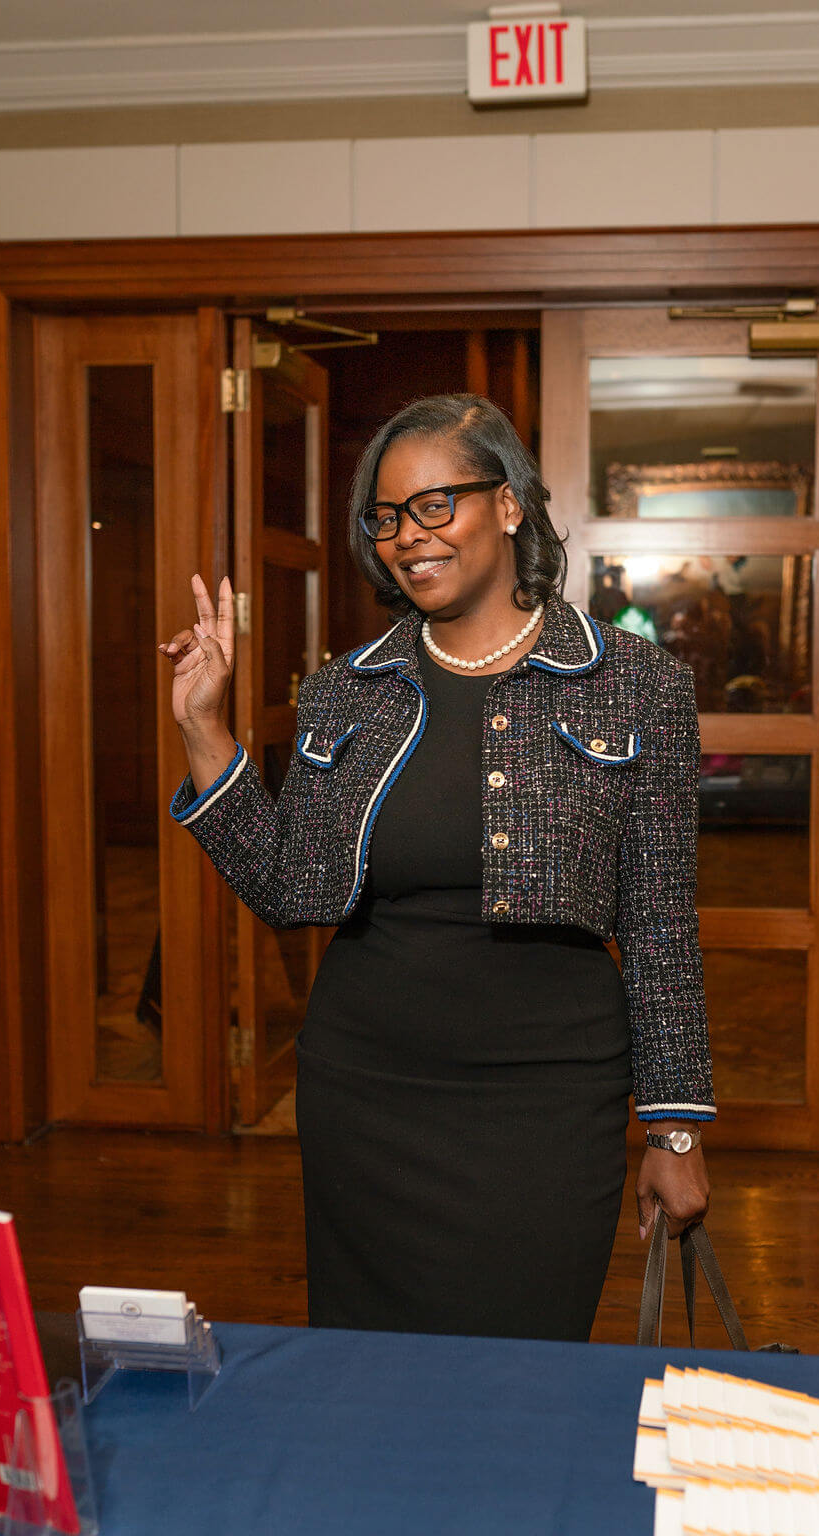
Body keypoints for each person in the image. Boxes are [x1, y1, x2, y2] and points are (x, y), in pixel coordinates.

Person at [159, 394, 714, 1341]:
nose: (407, 537)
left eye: (434, 505)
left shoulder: (634, 683)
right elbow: (287, 886)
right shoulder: (347, 690)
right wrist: (203, 728)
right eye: (386, 518)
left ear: (510, 504)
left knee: (526, 1369)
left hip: (547, 1101)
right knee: (370, 1378)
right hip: (366, 1098)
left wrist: (674, 1128)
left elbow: (660, 923)